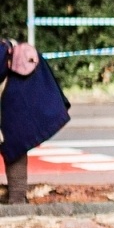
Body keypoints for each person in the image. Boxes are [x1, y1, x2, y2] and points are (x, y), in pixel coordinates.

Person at [0, 39, 72, 205]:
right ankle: (17, 201)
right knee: (15, 144)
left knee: (15, 144)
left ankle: (17, 202)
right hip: (20, 92)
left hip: (19, 93)